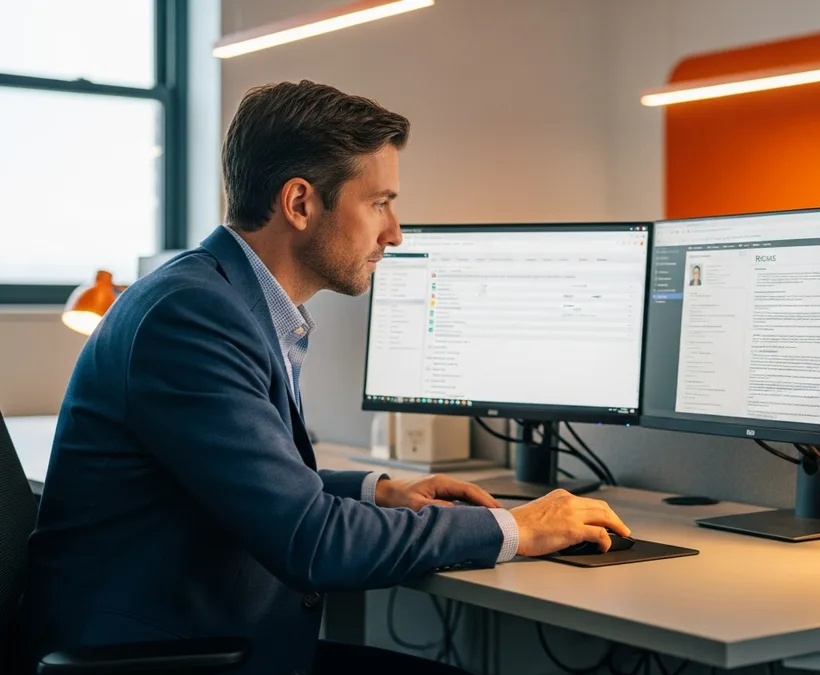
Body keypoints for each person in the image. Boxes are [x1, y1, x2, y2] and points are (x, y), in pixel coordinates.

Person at [17, 80, 630, 675]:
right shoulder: (194, 317)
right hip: (159, 655)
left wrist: (374, 490)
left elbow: (248, 479)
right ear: (301, 203)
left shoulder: (224, 299)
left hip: (205, 635)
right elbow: (311, 542)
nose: (394, 233)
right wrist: (515, 527)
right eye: (380, 203)